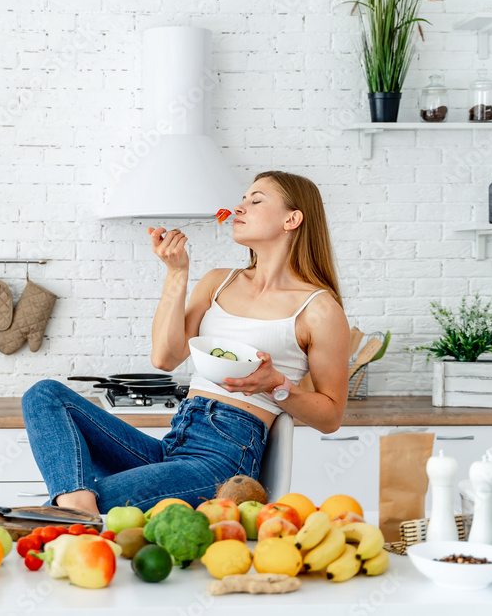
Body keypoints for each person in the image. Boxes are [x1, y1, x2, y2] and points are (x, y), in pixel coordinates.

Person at [21, 171, 350, 515]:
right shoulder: (218, 282)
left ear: (291, 219)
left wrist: (278, 385)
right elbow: (164, 358)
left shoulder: (319, 309)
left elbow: (330, 416)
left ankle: (75, 515)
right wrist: (176, 273)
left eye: (256, 201)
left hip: (223, 462)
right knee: (44, 395)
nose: (240, 207)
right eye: (242, 199)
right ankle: (78, 513)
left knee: (90, 502)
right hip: (176, 441)